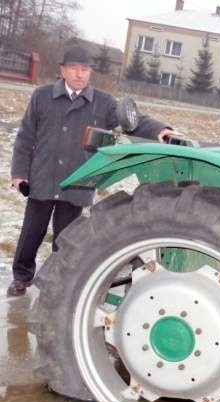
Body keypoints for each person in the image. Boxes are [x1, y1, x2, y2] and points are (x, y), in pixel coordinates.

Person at [7, 45, 173, 297]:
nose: (80, 74)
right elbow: (25, 136)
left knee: (66, 240)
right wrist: (20, 173)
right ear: (62, 70)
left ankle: (56, 284)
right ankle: (21, 277)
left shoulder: (103, 103)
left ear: (90, 73)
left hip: (76, 182)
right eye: (74, 68)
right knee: (31, 233)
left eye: (85, 69)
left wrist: (159, 129)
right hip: (42, 178)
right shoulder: (41, 96)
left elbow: (132, 119)